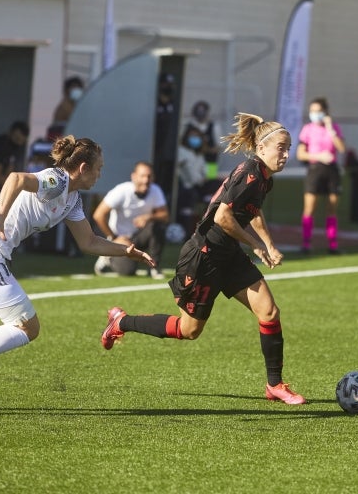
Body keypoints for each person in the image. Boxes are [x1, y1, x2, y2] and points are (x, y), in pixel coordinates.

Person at [0, 135, 154, 410]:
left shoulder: (74, 200)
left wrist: (126, 251)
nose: (100, 174)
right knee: (27, 327)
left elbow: (88, 242)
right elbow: (16, 179)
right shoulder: (57, 181)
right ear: (82, 168)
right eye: (98, 168)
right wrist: (0, 212)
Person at [99, 112, 306, 405]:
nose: (285, 153)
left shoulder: (263, 178)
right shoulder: (250, 173)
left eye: (288, 147)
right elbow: (223, 217)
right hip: (204, 257)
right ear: (261, 149)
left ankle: (274, 385)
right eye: (280, 147)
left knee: (269, 312)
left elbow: (252, 210)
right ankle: (122, 321)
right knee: (189, 330)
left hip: (229, 255)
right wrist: (257, 246)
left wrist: (268, 245)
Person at [91, 161, 169, 279]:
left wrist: (149, 217)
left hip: (139, 236)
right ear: (134, 176)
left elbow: (165, 216)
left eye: (149, 176)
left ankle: (154, 267)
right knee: (127, 271)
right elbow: (98, 215)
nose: (146, 180)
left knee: (157, 226)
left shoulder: (155, 190)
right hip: (121, 239)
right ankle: (108, 258)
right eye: (142, 176)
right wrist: (114, 237)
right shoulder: (121, 190)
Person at [296, 97, 346, 254]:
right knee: (310, 208)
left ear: (325, 112)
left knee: (332, 208)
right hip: (315, 170)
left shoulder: (334, 128)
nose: (315, 114)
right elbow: (300, 154)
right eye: (312, 111)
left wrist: (331, 128)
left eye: (318, 111)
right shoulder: (308, 129)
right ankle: (306, 243)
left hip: (332, 171)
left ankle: (332, 244)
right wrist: (319, 156)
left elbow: (342, 148)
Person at [175, 124, 222, 237]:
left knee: (218, 184)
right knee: (190, 195)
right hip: (187, 186)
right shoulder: (181, 151)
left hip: (199, 184)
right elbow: (186, 173)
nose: (195, 140)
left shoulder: (199, 155)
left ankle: (210, 208)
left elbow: (205, 173)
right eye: (192, 137)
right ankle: (187, 231)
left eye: (197, 137)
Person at [153, 73, 179, 198]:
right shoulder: (153, 102)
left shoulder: (173, 104)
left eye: (170, 84)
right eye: (165, 84)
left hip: (167, 149)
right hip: (154, 147)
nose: (168, 87)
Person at [184, 100, 223, 179]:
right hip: (193, 163)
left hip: (210, 163)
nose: (201, 114)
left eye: (203, 111)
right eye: (198, 111)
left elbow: (219, 146)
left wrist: (206, 150)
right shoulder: (189, 126)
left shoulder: (214, 127)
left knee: (210, 181)